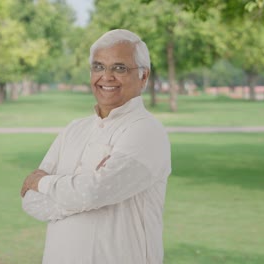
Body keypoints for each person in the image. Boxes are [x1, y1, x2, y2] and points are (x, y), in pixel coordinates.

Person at [20, 29, 171, 264]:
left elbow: (93, 192)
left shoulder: (146, 131)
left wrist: (44, 183)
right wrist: (84, 192)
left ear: (143, 76)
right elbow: (31, 201)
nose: (107, 77)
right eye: (99, 67)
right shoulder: (74, 130)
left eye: (120, 68)